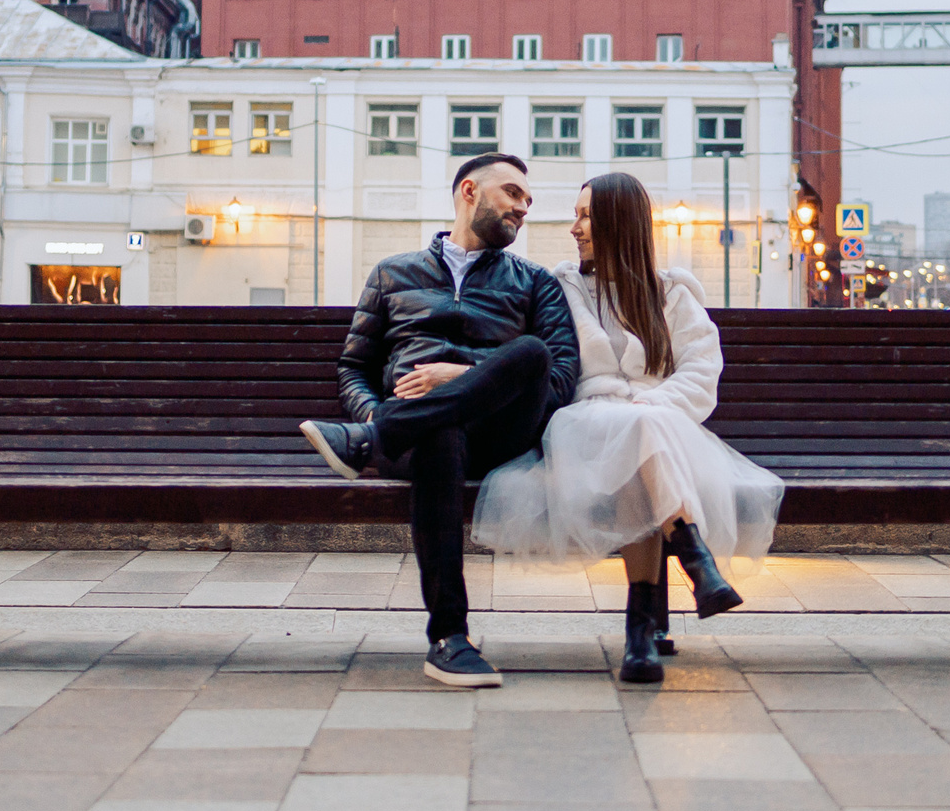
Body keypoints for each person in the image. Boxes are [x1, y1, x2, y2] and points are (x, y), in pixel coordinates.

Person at [472, 172, 783, 685]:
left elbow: (701, 371)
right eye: (576, 215)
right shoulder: (562, 287)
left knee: (642, 440)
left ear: (620, 221)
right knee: (641, 432)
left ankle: (641, 634)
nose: (574, 228)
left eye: (585, 216)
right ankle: (694, 566)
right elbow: (550, 365)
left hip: (661, 427)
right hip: (583, 428)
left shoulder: (671, 292)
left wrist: (652, 401)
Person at [302, 152, 579, 689]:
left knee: (531, 352)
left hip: (499, 436)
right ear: (469, 191)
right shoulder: (393, 273)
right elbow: (354, 368)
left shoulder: (535, 282)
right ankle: (450, 639)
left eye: (528, 200)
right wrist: (374, 409)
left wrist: (463, 375)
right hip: (421, 442)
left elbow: (561, 377)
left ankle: (373, 439)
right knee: (440, 434)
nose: (523, 208)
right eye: (513, 193)